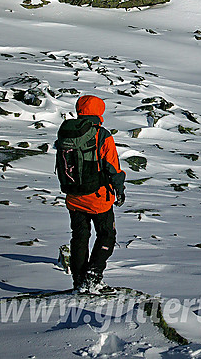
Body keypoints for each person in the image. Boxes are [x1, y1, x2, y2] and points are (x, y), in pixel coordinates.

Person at [65, 95, 126, 293]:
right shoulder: (102, 135)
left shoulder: (67, 132)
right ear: (99, 111)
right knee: (107, 235)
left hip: (74, 196)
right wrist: (120, 189)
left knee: (79, 237)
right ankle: (93, 276)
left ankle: (79, 280)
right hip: (98, 198)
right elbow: (112, 167)